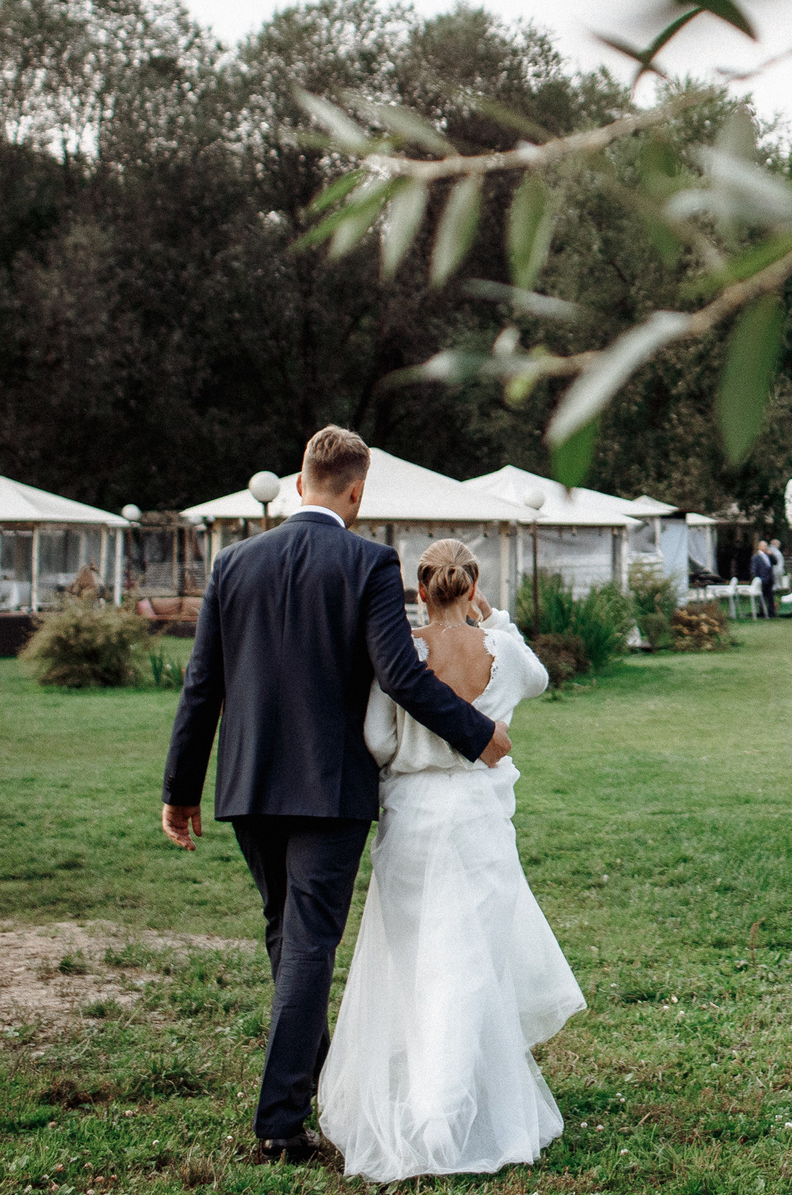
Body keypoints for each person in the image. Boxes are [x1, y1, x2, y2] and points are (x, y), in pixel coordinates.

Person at [161, 427, 511, 1165]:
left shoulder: (233, 563)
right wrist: (478, 734)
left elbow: (203, 686)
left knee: (290, 939)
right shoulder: (368, 561)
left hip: (248, 784)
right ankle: (282, 1125)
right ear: (357, 491)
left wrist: (180, 790)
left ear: (298, 482)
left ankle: (316, 1082)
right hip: (330, 788)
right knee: (307, 946)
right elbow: (402, 675)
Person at [318, 540, 581, 1180]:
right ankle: (452, 1107)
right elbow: (541, 681)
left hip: (412, 820)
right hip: (477, 821)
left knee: (414, 962)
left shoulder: (401, 655)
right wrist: (493, 622)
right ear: (473, 586)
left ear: (418, 589)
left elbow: (378, 739)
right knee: (469, 963)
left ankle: (423, 1102)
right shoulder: (504, 653)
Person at [750, 540, 779, 619]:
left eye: (766, 546)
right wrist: (758, 579)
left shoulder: (768, 556)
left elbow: (775, 562)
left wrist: (771, 554)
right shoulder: (756, 557)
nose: (765, 547)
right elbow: (754, 569)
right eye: (764, 546)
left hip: (770, 579)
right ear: (759, 547)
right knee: (762, 597)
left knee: (770, 597)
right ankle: (762, 612)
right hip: (762, 579)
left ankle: (771, 612)